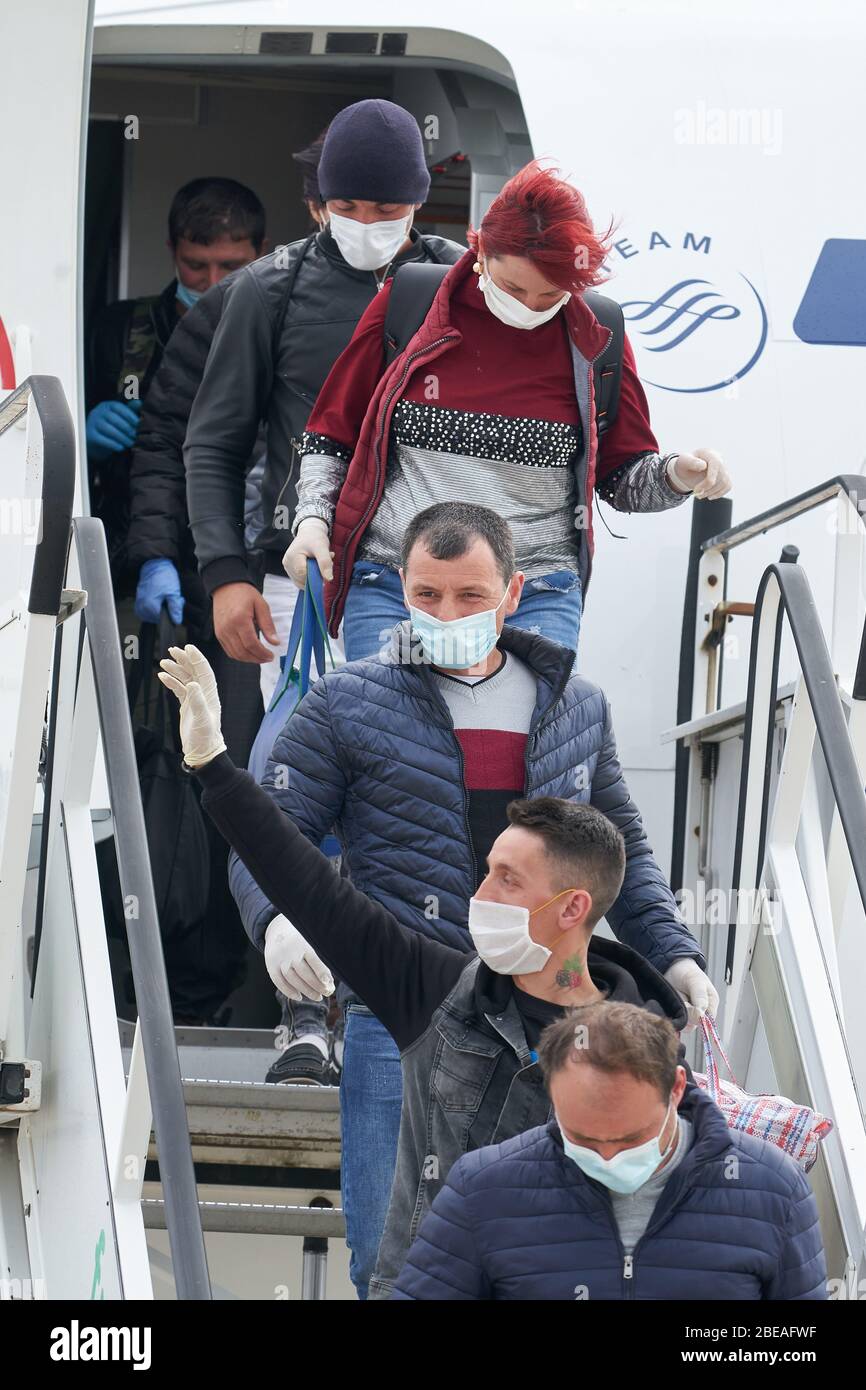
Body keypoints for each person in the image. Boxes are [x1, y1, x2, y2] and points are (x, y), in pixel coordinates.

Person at [178, 502, 716, 1296]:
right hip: (400, 1009)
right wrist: (277, 920)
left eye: (469, 596)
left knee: (553, 1266)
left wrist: (673, 952)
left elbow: (621, 852)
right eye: (426, 595)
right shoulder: (349, 700)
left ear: (514, 591)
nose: (447, 615)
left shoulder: (576, 705)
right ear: (399, 588)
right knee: (389, 1261)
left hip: (547, 1019)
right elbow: (274, 832)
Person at [283, 159, 732, 661]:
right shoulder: (409, 302)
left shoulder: (595, 339)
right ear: (480, 253)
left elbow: (623, 477)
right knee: (386, 736)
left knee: (516, 737)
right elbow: (332, 435)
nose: (532, 307)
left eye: (551, 294)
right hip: (399, 586)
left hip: (533, 595)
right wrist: (312, 523)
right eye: (515, 288)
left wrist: (679, 475)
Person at [183, 99, 466, 706]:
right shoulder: (267, 290)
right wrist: (227, 576)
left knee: (430, 776)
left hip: (442, 576)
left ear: (418, 200)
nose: (366, 221)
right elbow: (213, 443)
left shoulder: (463, 283)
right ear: (321, 202)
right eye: (346, 207)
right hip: (302, 572)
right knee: (306, 774)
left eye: (386, 209)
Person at [391, 1002, 827, 1300]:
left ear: (676, 1088)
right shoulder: (482, 1188)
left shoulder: (774, 1190)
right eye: (581, 1137)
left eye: (628, 1138)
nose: (605, 1158)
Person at [86, 177, 267, 592]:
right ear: (173, 251)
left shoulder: (282, 335)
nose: (213, 281)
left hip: (240, 556)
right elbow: (49, 446)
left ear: (262, 252)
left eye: (232, 266)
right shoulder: (118, 327)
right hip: (130, 547)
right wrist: (84, 439)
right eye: (196, 265)